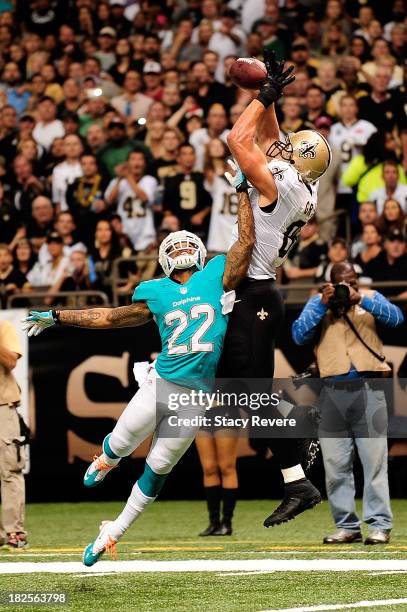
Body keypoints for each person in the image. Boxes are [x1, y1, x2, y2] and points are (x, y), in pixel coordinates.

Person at [22, 184, 256, 566]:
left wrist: (243, 193)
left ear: (198, 252)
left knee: (159, 468)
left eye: (186, 245)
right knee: (123, 441)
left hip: (196, 396)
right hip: (161, 383)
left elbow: (246, 241)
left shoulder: (216, 274)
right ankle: (107, 459)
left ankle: (112, 533)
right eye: (173, 246)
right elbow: (110, 316)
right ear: (164, 259)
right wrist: (59, 316)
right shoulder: (155, 291)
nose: (181, 249)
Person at [223, 49, 332, 527]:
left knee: (253, 396)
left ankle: (300, 436)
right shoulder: (298, 183)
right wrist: (267, 95)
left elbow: (238, 138)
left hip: (255, 296)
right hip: (256, 293)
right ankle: (297, 480)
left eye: (291, 144)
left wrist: (261, 95)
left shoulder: (281, 183)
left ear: (296, 158)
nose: (281, 143)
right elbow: (268, 136)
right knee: (242, 391)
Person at [292, 262, 404, 544]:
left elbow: (397, 318)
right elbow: (298, 335)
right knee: (335, 464)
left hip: (369, 388)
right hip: (331, 392)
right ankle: (347, 525)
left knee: (374, 462)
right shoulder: (318, 304)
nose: (347, 286)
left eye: (351, 281)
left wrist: (360, 297)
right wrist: (322, 304)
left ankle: (379, 524)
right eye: (342, 282)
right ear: (329, 283)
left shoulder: (370, 296)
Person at [0, 318, 27, 548]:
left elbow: (10, 361)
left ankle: (13, 532)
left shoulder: (3, 327)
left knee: (10, 469)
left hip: (2, 406)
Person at [104, 150, 158, 252]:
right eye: (133, 159)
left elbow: (145, 198)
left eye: (140, 159)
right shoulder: (118, 182)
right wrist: (119, 178)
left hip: (146, 234)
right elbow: (109, 201)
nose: (136, 163)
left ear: (145, 163)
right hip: (124, 234)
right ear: (127, 163)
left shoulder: (149, 180)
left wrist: (128, 177)